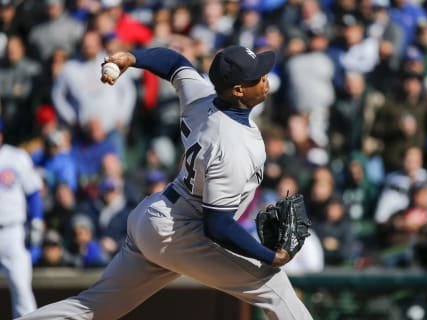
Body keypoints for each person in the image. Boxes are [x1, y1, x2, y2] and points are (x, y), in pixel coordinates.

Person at [18, 45, 313, 319]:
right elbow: (218, 226)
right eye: (257, 77)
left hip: (156, 218)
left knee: (93, 308)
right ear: (238, 90)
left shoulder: (202, 99)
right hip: (181, 232)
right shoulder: (232, 145)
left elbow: (175, 63)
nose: (265, 79)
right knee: (275, 287)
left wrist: (132, 58)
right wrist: (270, 256)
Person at [0, 119, 43, 318]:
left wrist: (36, 222)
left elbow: (33, 192)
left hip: (11, 232)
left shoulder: (16, 157)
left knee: (22, 290)